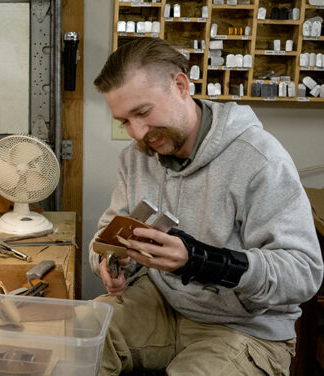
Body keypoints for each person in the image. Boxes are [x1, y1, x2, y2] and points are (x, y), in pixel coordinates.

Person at [88, 37, 323, 376]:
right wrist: (110, 262)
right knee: (83, 336)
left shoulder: (259, 159)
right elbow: (103, 238)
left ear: (181, 85)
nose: (137, 132)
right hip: (163, 306)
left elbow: (304, 272)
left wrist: (201, 261)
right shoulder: (136, 159)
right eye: (124, 120)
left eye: (142, 112)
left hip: (244, 327)